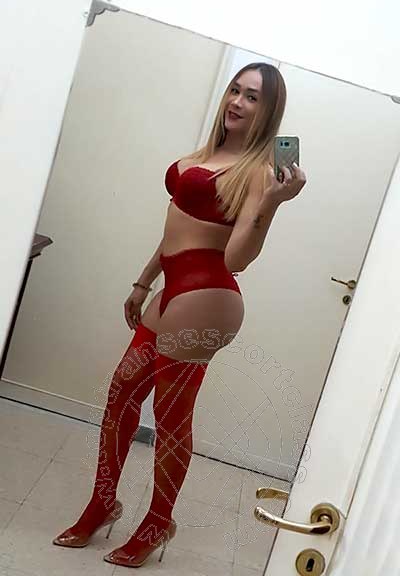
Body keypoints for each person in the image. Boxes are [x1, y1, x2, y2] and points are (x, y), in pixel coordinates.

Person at [52, 62, 306, 568]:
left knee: (170, 418)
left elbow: (237, 258)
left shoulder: (259, 172)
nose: (237, 102)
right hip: (170, 291)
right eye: (235, 90)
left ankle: (157, 521)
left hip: (207, 297)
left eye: (252, 97)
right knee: (121, 395)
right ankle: (103, 503)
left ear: (269, 111)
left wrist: (273, 203)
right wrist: (143, 280)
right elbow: (178, 224)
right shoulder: (207, 154)